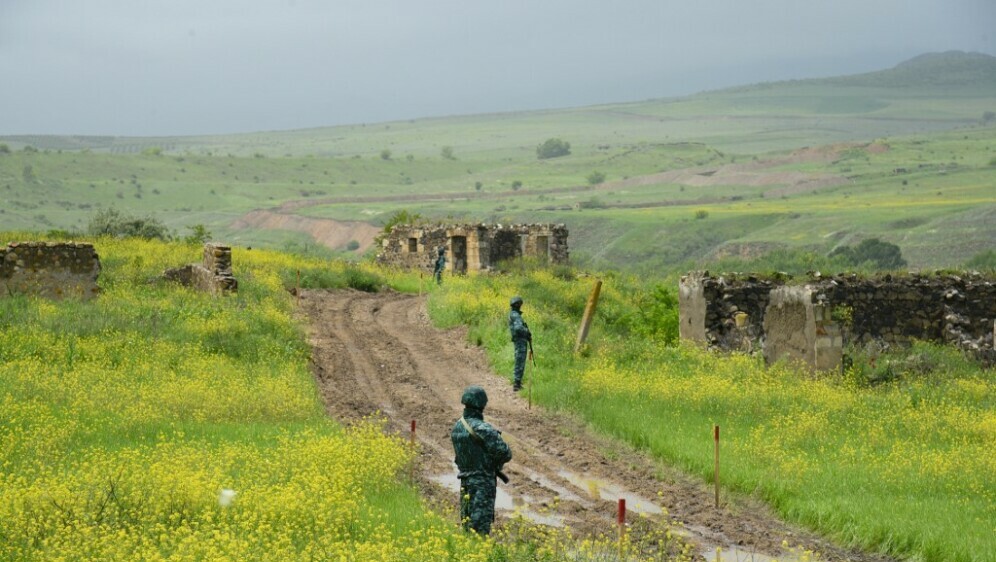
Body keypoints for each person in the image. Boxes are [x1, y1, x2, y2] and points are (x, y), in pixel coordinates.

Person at [451, 385, 512, 535]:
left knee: (467, 529)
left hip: (465, 484)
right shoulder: (483, 429)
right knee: (480, 532)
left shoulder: (457, 427)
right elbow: (506, 453)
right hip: (482, 485)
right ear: (482, 404)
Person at [507, 296, 532, 391]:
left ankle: (518, 382)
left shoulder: (513, 314)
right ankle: (517, 384)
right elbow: (518, 328)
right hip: (520, 342)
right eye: (520, 304)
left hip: (519, 341)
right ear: (518, 305)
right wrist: (527, 332)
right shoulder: (516, 315)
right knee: (520, 361)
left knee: (519, 360)